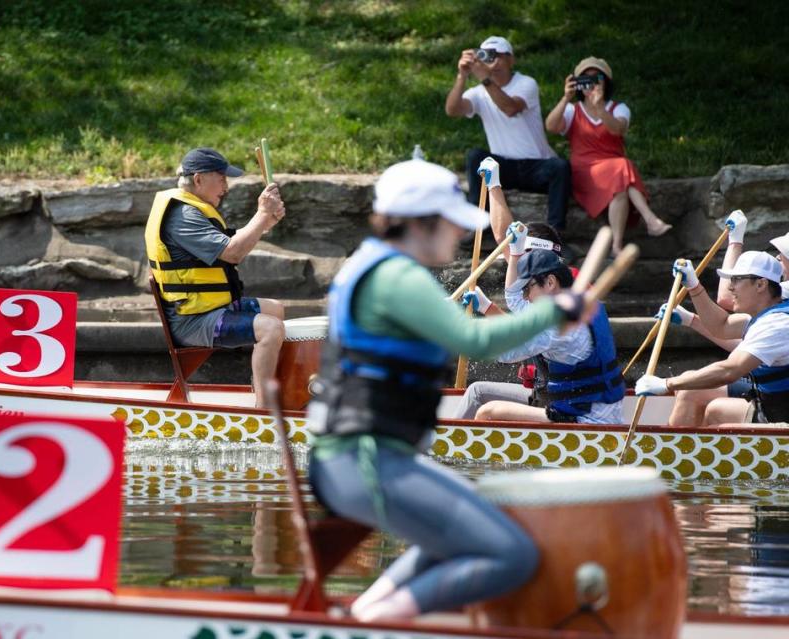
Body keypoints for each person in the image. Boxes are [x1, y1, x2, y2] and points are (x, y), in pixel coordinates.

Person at [307, 158, 595, 621]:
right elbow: (474, 340)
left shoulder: (373, 266)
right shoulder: (396, 276)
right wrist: (555, 311)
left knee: (467, 536)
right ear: (421, 223)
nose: (460, 235)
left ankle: (366, 613)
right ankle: (373, 624)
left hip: (363, 458)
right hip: (366, 461)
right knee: (515, 555)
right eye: (452, 224)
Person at [145, 147, 287, 407]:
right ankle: (264, 412)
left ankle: (266, 388)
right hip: (192, 321)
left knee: (276, 310)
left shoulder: (194, 210)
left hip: (210, 308)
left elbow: (232, 241)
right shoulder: (184, 216)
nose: (226, 186)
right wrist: (262, 214)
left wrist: (265, 222)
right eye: (221, 178)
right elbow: (232, 253)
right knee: (270, 329)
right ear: (198, 179)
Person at [461, 241, 625, 424]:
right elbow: (516, 301)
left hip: (584, 420)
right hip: (597, 412)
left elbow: (504, 352)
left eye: (527, 288)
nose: (525, 297)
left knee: (488, 412)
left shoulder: (553, 326)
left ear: (550, 282)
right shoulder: (585, 303)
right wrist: (486, 305)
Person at [636, 251, 789, 425]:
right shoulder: (767, 313)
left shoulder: (776, 325)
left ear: (761, 284)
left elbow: (730, 370)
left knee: (720, 432)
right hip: (772, 410)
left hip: (783, 423)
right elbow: (721, 326)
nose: (731, 287)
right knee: (715, 411)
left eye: (737, 280)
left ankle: (679, 451)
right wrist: (693, 287)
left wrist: (667, 384)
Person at [545, 57, 671, 255]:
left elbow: (617, 129)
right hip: (585, 170)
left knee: (620, 182)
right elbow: (551, 126)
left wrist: (600, 108)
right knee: (623, 167)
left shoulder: (618, 108)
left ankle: (616, 245)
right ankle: (650, 219)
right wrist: (566, 97)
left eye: (596, 78)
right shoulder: (573, 110)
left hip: (614, 170)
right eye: (584, 79)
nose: (590, 83)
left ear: (605, 82)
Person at [445, 35, 570, 233]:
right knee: (476, 157)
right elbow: (452, 110)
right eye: (486, 56)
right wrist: (462, 76)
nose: (492, 62)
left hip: (536, 166)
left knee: (560, 167)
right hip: (505, 168)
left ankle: (556, 234)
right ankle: (480, 227)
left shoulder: (526, 83)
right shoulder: (479, 91)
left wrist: (485, 78)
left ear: (511, 59)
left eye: (498, 56)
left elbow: (511, 108)